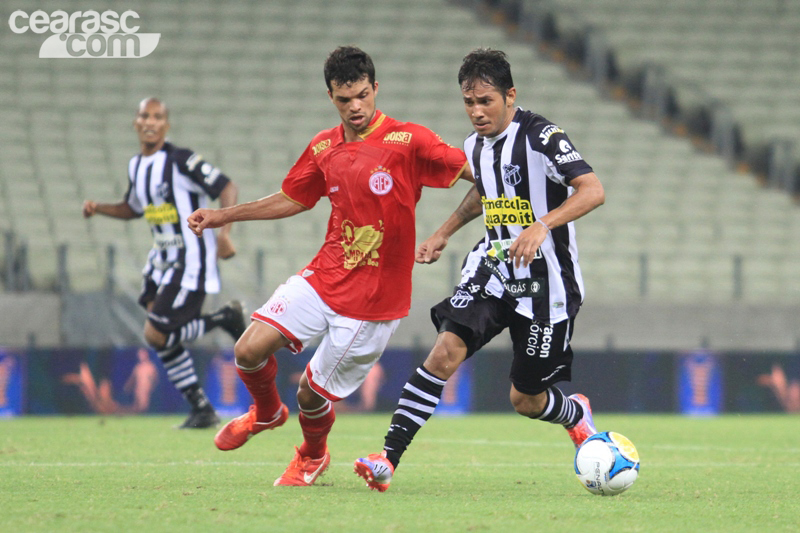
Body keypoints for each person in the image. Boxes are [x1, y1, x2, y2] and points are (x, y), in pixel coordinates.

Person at [186, 46, 472, 486]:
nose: (355, 107)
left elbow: (483, 172)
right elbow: (292, 198)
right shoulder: (324, 146)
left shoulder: (410, 140)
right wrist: (223, 216)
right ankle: (266, 412)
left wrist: (451, 229)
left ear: (375, 89)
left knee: (311, 393)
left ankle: (312, 456)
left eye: (362, 95)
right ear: (331, 97)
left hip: (374, 301)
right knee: (246, 350)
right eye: (344, 100)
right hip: (326, 275)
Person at [354, 48, 606, 492]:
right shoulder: (474, 146)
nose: (476, 112)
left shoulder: (542, 136)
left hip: (547, 285)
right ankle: (387, 459)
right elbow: (486, 192)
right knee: (443, 353)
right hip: (493, 269)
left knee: (525, 399)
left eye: (485, 101)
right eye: (469, 103)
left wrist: (542, 225)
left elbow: (592, 190)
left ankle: (574, 413)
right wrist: (444, 231)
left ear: (510, 96)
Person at [82, 97, 246, 429]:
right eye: (145, 115)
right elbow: (133, 207)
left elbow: (227, 187)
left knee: (156, 331)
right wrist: (99, 207)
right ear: (136, 122)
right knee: (158, 337)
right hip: (161, 260)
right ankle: (201, 408)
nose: (150, 121)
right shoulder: (136, 166)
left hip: (191, 260)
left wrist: (224, 232)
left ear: (166, 125)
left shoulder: (181, 160)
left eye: (157, 116)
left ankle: (221, 319)